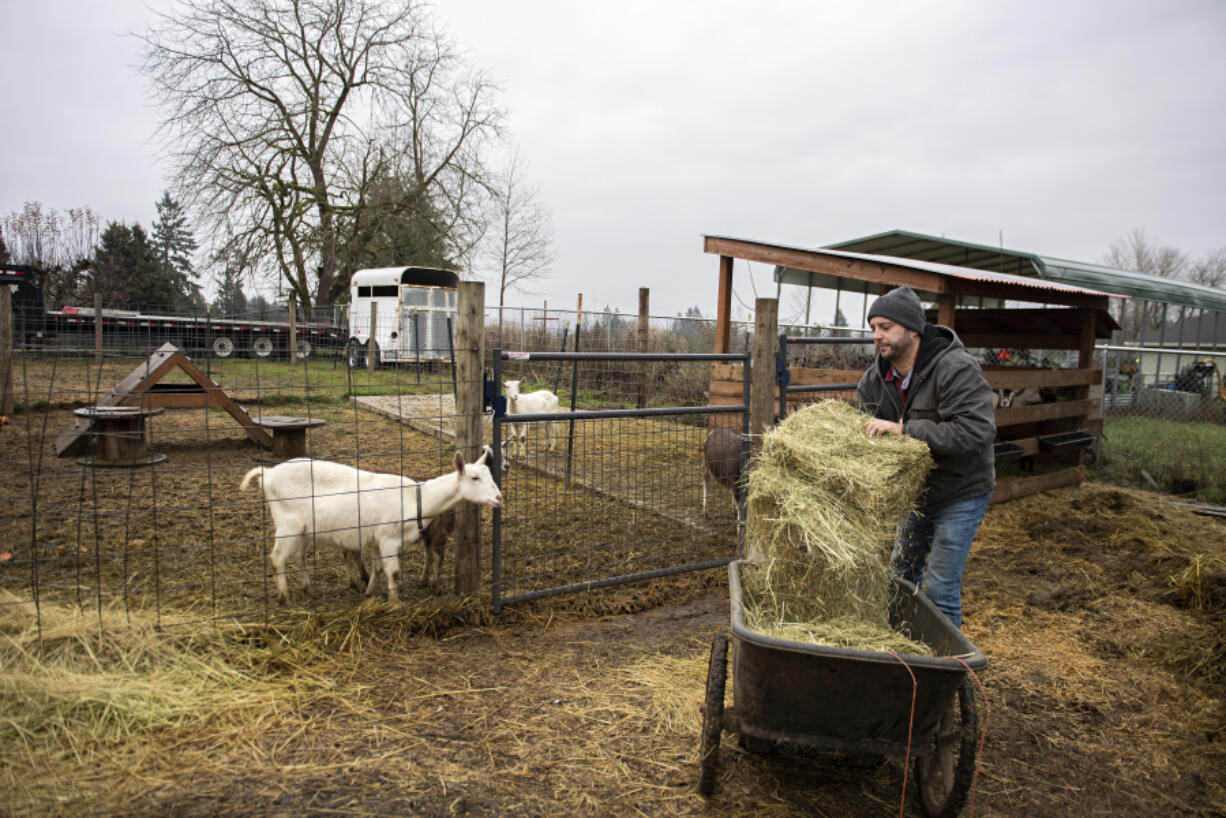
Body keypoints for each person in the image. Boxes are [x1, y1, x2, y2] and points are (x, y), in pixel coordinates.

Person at [855, 286, 996, 628]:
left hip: (960, 489)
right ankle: (901, 646)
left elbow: (977, 432)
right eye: (873, 327)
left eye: (886, 327)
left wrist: (905, 430)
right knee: (901, 573)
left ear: (913, 329)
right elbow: (864, 434)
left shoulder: (954, 369)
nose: (877, 336)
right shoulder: (874, 381)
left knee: (941, 586)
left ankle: (945, 669)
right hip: (914, 493)